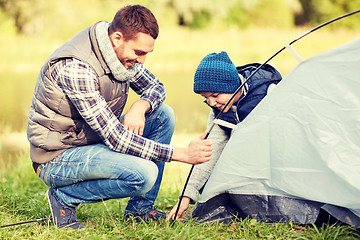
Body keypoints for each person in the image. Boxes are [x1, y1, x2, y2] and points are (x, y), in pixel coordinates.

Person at [27, 5, 212, 229]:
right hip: (56, 158)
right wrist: (182, 154)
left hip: (91, 142)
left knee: (163, 115)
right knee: (145, 174)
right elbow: (117, 139)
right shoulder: (77, 68)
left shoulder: (121, 55)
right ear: (117, 38)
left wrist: (140, 106)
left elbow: (156, 87)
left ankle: (140, 210)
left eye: (146, 53)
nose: (142, 60)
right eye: (139, 52)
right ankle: (63, 199)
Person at [167, 51, 282, 220]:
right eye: (206, 98)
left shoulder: (269, 93)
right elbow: (209, 153)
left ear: (233, 86)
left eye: (215, 95)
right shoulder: (219, 112)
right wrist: (186, 197)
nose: (212, 103)